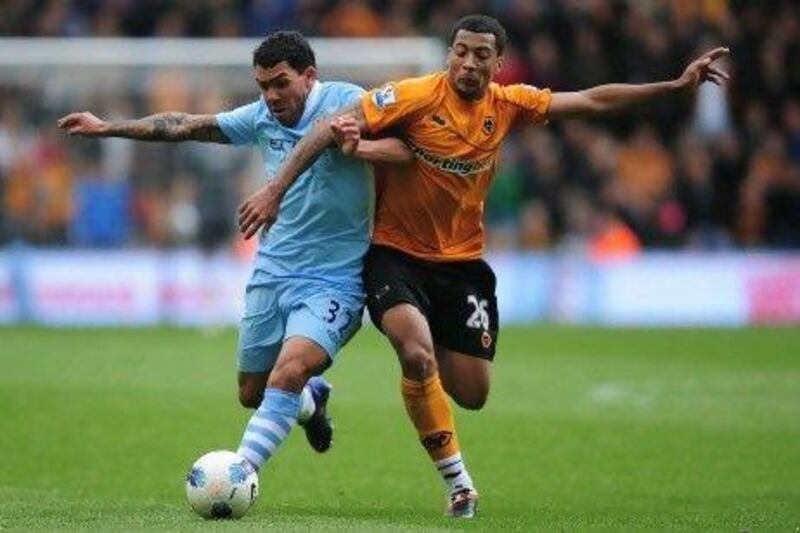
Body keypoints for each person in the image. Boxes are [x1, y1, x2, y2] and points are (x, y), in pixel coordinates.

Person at [236, 15, 730, 518]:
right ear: (450, 53)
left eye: (480, 55)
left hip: (461, 264)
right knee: (415, 353)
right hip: (393, 255)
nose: (468, 63)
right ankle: (459, 483)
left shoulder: (510, 105)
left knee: (472, 393)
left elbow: (590, 100)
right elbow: (331, 127)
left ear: (498, 64)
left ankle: (311, 399)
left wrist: (672, 86)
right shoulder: (411, 96)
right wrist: (280, 187)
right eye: (461, 51)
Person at [58, 31, 411, 473]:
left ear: (309, 76)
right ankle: (310, 401)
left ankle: (238, 474)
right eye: (263, 85)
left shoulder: (349, 100)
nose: (271, 95)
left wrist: (362, 147)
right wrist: (108, 127)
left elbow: (406, 148)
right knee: (252, 391)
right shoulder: (262, 116)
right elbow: (185, 125)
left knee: (288, 371)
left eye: (281, 83)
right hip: (273, 268)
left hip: (336, 276)